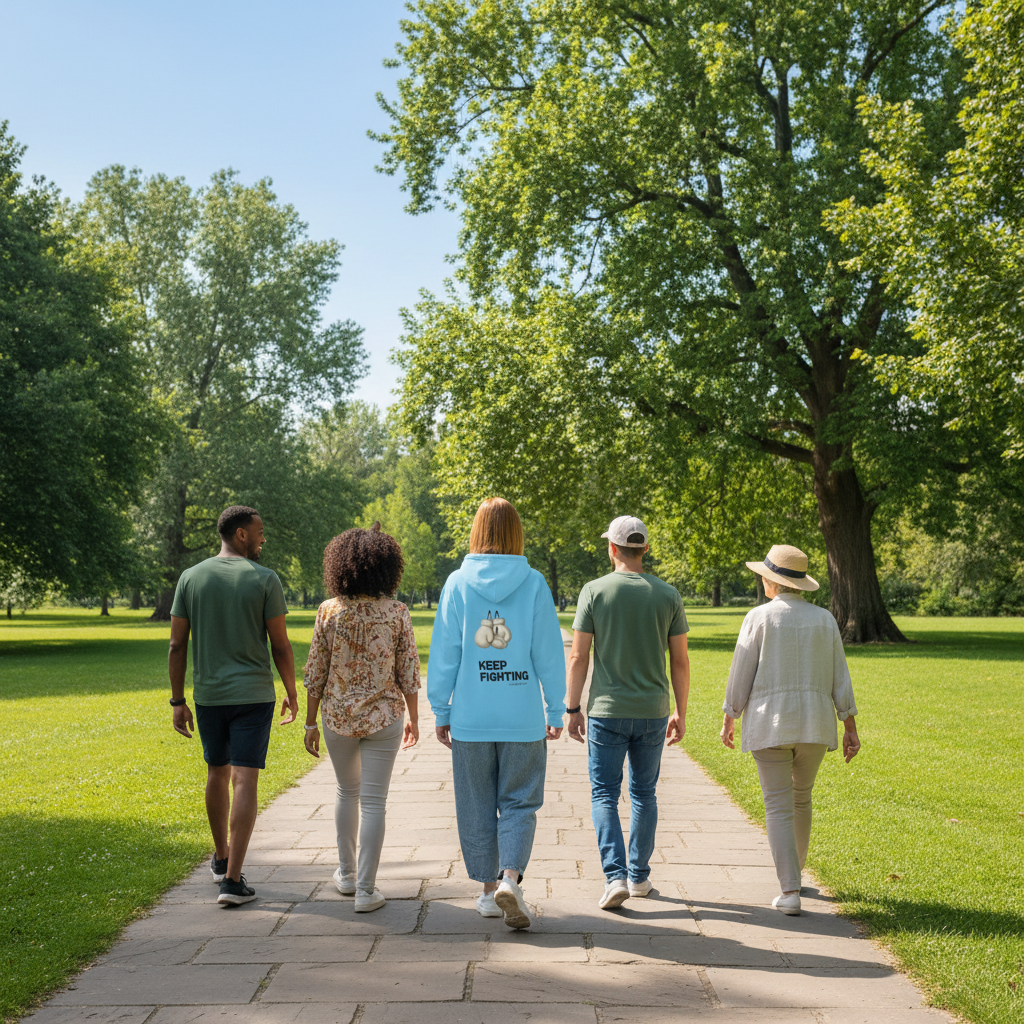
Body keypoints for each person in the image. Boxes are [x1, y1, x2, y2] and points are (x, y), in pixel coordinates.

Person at [428, 498, 566, 930]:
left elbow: (446, 651)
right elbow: (548, 652)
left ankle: (488, 893)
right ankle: (511, 878)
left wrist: (440, 707)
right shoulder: (535, 583)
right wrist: (556, 707)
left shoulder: (456, 583)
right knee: (520, 802)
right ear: (516, 533)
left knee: (475, 804)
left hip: (471, 716)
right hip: (522, 718)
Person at [720, 544, 860, 916]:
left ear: (771, 581)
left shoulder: (759, 617)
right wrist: (849, 725)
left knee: (778, 805)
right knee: (801, 799)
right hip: (815, 722)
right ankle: (794, 876)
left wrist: (730, 715)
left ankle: (789, 889)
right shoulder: (824, 619)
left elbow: (741, 672)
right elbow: (839, 678)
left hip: (770, 722)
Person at [169, 505, 298, 906]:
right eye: (259, 532)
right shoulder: (264, 579)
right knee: (245, 779)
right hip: (254, 695)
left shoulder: (190, 578)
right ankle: (233, 881)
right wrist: (293, 692)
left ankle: (221, 858)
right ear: (241, 534)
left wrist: (177, 700)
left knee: (216, 772)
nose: (263, 539)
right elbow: (279, 644)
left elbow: (176, 644)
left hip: (209, 696)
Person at [566, 515, 690, 910]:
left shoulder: (594, 591)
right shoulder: (667, 594)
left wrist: (572, 707)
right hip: (653, 710)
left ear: (613, 548)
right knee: (644, 793)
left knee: (604, 793)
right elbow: (681, 661)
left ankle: (614, 875)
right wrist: (680, 712)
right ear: (645, 549)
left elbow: (578, 656)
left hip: (607, 710)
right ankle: (638, 877)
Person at [302, 525, 420, 912]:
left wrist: (309, 722)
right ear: (388, 567)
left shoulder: (329, 610)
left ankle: (347, 875)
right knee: (374, 802)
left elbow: (315, 672)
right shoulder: (397, 612)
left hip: (337, 717)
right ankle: (367, 892)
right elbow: (409, 673)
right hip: (384, 717)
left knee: (345, 792)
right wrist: (414, 719)